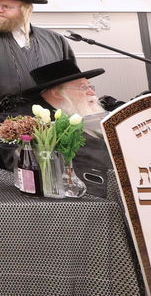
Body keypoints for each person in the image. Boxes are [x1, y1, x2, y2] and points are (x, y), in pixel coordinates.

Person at [24, 58, 114, 198]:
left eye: (90, 86)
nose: (92, 93)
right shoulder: (39, 126)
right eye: (83, 87)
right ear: (57, 93)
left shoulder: (86, 114)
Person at [0, 0, 73, 103]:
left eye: (6, 7)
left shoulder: (54, 40)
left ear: (25, 10)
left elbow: (70, 79)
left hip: (47, 112)